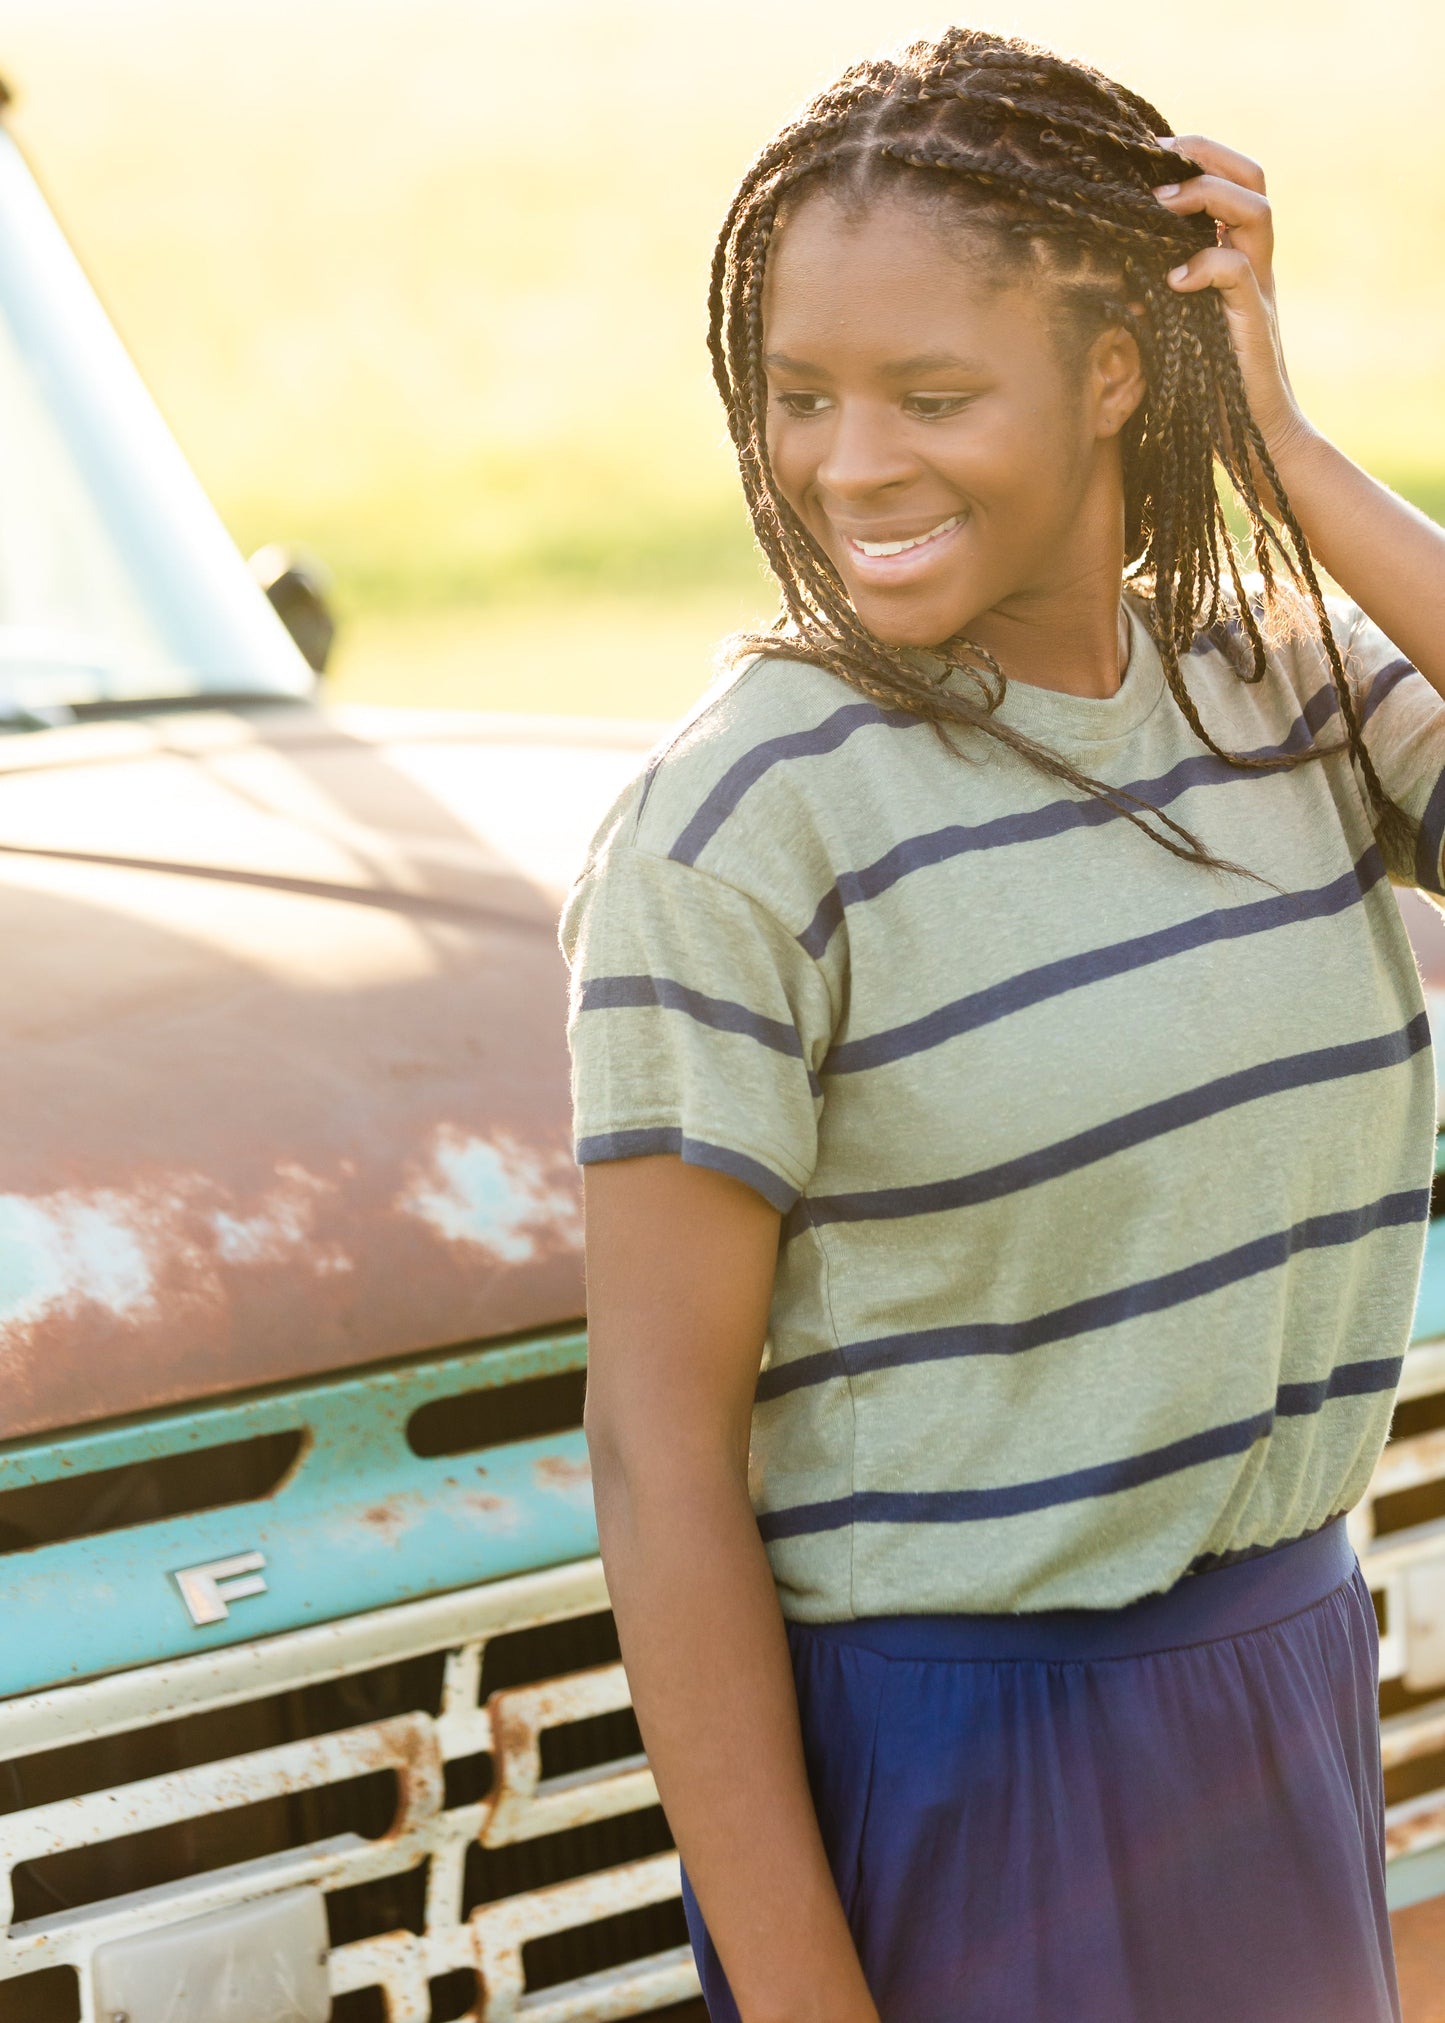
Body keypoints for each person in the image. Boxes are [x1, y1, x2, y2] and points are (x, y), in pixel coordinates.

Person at [561, 27, 1445, 2022]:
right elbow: (658, 1450)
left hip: (1280, 1694)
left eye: (929, 392)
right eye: (800, 396)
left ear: (1117, 368)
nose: (846, 461)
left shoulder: (1284, 681)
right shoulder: (740, 830)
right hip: (966, 1767)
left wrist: (1294, 459)